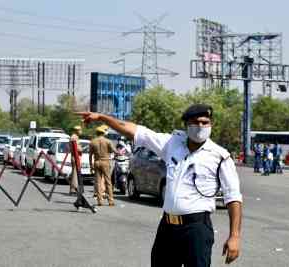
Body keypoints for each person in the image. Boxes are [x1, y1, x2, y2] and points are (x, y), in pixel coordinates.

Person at [77, 104, 243, 266]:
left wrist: (234, 236)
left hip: (196, 228)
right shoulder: (171, 144)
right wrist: (102, 117)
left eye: (204, 122)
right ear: (186, 125)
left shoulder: (221, 156)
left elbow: (233, 198)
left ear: (211, 124)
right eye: (195, 122)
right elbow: (132, 129)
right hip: (168, 227)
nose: (200, 126)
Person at [89, 125, 117, 206]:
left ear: (97, 133)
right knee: (108, 182)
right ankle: (111, 201)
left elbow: (90, 155)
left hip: (97, 162)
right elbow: (114, 151)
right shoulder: (108, 141)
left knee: (98, 182)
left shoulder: (93, 141)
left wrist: (91, 166)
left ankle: (99, 201)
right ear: (103, 133)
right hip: (106, 162)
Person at [69, 125, 82, 194]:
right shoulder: (74, 138)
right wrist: (82, 149)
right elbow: (77, 148)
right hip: (75, 156)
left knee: (75, 173)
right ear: (77, 130)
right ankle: (74, 189)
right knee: (75, 173)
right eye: (80, 130)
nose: (81, 132)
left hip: (75, 156)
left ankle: (73, 188)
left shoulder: (74, 137)